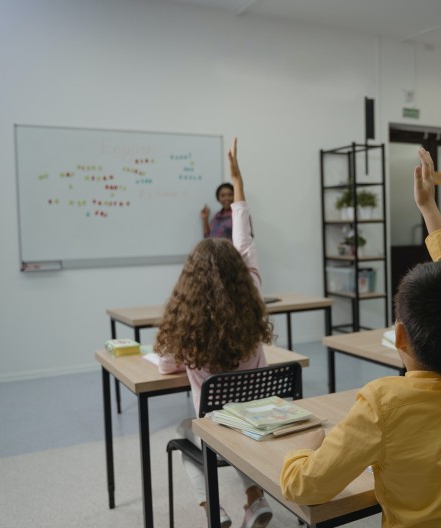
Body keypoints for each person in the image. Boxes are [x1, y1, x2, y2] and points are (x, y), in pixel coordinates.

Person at [279, 148, 441, 527]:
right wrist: (429, 208)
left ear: (399, 336)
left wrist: (302, 450)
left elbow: (303, 486)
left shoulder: (381, 404)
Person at [157, 138, 275, 528]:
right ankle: (255, 499)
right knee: (237, 426)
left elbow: (166, 366)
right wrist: (239, 179)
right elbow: (243, 236)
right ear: (241, 273)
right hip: (257, 416)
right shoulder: (253, 291)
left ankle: (213, 512)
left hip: (218, 424)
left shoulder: (185, 324)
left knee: (186, 430)